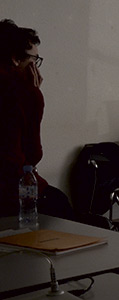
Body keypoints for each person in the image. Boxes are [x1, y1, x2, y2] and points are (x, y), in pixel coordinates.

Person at [0, 19, 74, 220]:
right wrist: (34, 96)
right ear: (15, 58)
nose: (36, 66)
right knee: (58, 203)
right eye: (35, 59)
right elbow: (32, 155)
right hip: (9, 192)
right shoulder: (21, 92)